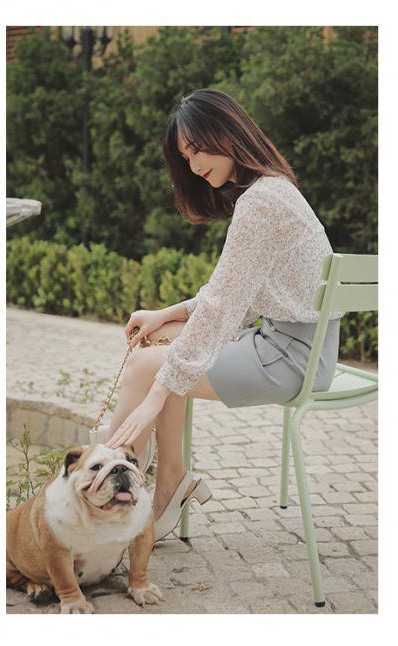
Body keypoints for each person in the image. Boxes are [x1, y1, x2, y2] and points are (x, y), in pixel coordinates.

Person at [106, 92, 337, 536]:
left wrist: (155, 396)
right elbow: (233, 297)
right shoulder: (273, 189)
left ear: (227, 132)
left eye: (198, 149)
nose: (194, 166)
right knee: (162, 340)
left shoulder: (261, 201)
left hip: (289, 360)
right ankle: (169, 473)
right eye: (186, 157)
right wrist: (165, 315)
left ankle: (108, 498)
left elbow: (223, 307)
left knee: (147, 365)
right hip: (299, 351)